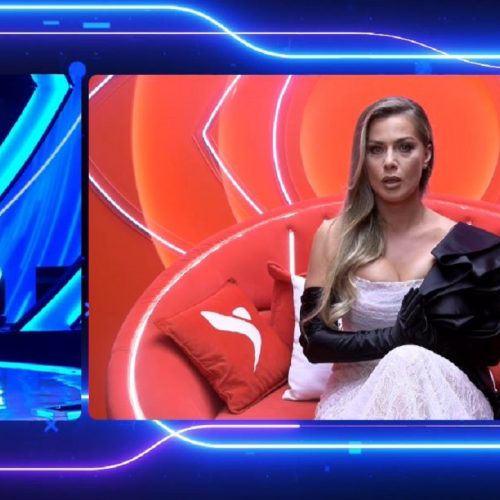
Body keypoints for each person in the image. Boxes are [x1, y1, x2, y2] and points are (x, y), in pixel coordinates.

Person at [299, 96, 500, 420]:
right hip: (359, 393)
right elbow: (315, 342)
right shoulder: (334, 236)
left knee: (409, 360)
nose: (390, 162)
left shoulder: (463, 245)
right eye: (376, 150)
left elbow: (486, 351)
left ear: (426, 154)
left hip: (444, 390)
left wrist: (428, 341)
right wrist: (393, 339)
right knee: (404, 357)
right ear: (363, 158)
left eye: (405, 148)